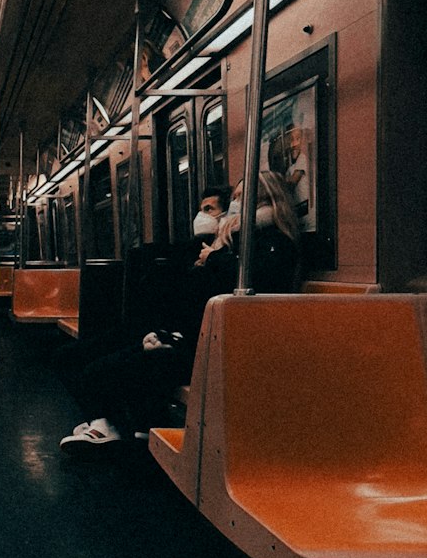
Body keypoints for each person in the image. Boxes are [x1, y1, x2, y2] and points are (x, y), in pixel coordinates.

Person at [60, 169, 299, 448]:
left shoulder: (270, 246)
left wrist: (214, 258)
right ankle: (128, 427)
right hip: (192, 338)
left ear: (263, 201)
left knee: (99, 370)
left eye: (240, 198)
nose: (235, 205)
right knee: (88, 360)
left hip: (221, 348)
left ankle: (116, 429)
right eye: (233, 198)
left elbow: (244, 293)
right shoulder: (230, 245)